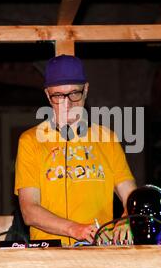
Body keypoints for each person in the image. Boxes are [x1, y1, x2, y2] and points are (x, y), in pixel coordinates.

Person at [14, 54, 137, 246]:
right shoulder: (30, 141)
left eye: (74, 94)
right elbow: (29, 211)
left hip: (99, 251)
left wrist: (128, 218)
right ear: (47, 95)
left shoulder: (107, 139)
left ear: (86, 90)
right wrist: (75, 229)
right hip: (49, 256)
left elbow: (132, 196)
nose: (67, 104)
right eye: (58, 96)